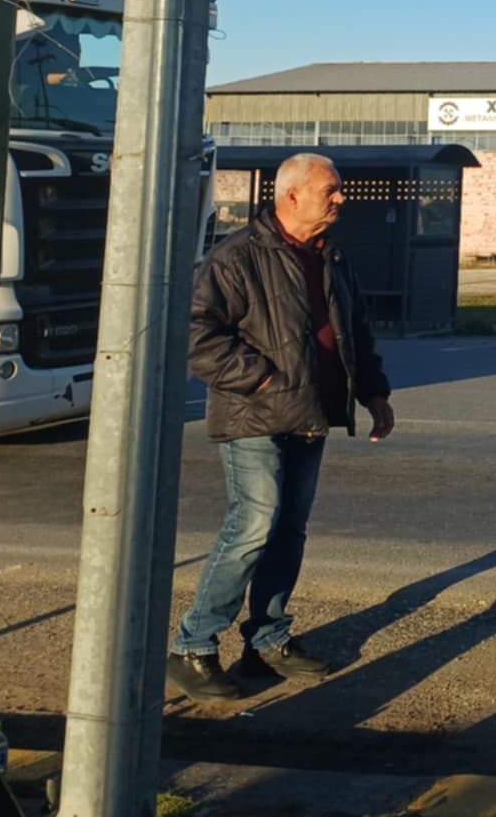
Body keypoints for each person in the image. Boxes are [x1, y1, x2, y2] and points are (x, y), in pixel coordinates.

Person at [166, 153, 395, 703]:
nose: (341, 198)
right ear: (290, 196)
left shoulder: (330, 256)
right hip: (254, 415)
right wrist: (263, 378)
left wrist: (374, 392)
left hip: (310, 413)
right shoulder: (237, 258)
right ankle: (193, 646)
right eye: (331, 190)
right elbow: (197, 334)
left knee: (288, 529)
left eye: (339, 189)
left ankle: (266, 640)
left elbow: (354, 331)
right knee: (254, 524)